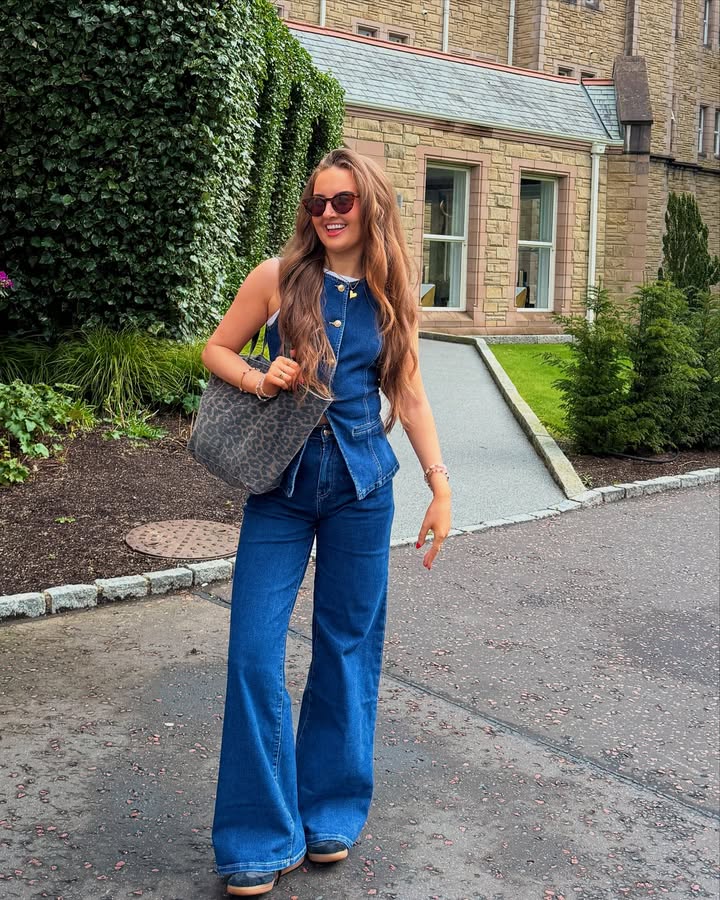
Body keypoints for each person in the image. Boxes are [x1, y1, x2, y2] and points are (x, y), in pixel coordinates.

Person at [201, 147, 451, 897]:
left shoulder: (391, 291)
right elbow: (216, 348)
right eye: (318, 203)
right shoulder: (277, 278)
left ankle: (329, 809)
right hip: (279, 487)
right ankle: (258, 835)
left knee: (347, 650)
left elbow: (410, 394)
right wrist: (259, 376)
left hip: (362, 490)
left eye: (344, 201)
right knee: (253, 653)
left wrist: (439, 486)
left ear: (370, 206)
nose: (330, 214)